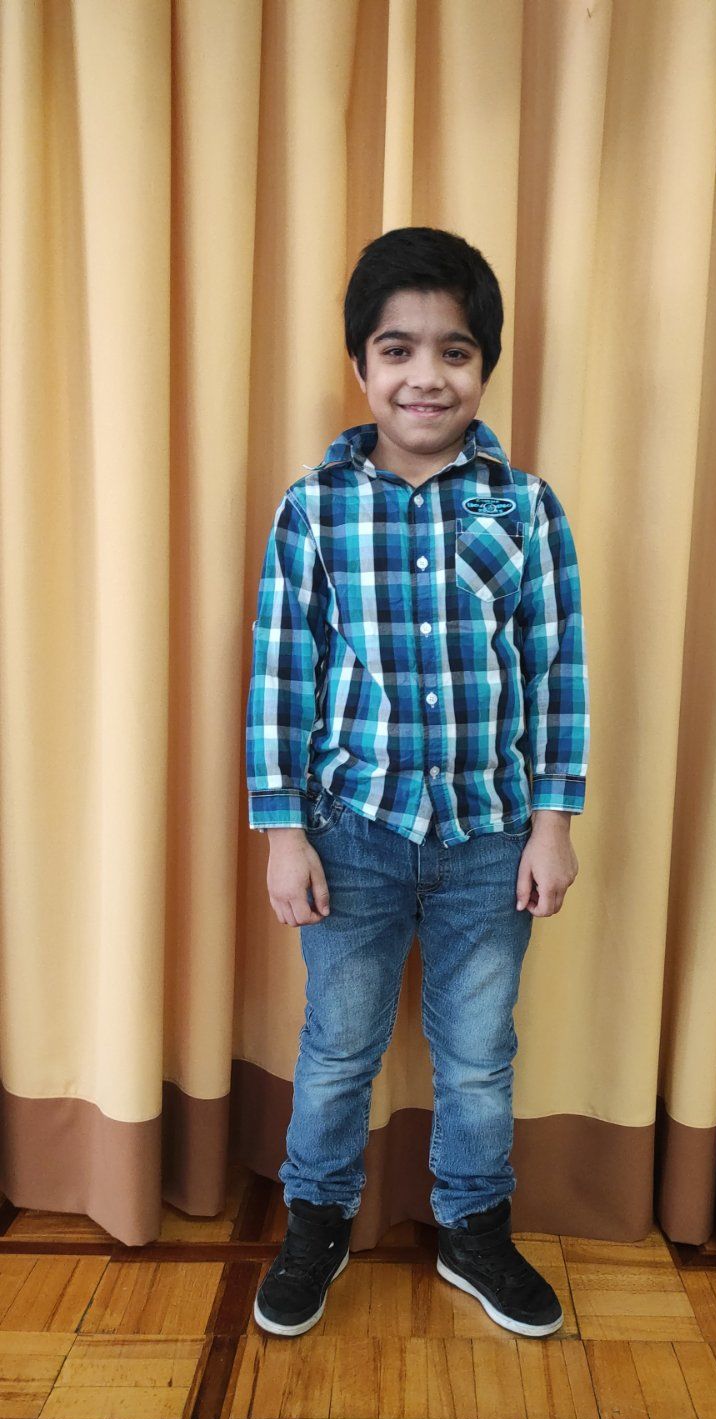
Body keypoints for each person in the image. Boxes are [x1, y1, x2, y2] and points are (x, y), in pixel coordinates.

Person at [245, 226, 590, 1341]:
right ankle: (316, 1222)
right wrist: (283, 833)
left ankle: (474, 1228)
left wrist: (553, 824)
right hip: (352, 830)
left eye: (454, 351)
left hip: (492, 838)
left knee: (479, 1054)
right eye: (398, 350)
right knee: (338, 1047)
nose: (425, 376)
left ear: (485, 366)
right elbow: (282, 678)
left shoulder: (524, 507)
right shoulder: (314, 507)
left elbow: (558, 672)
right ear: (362, 366)